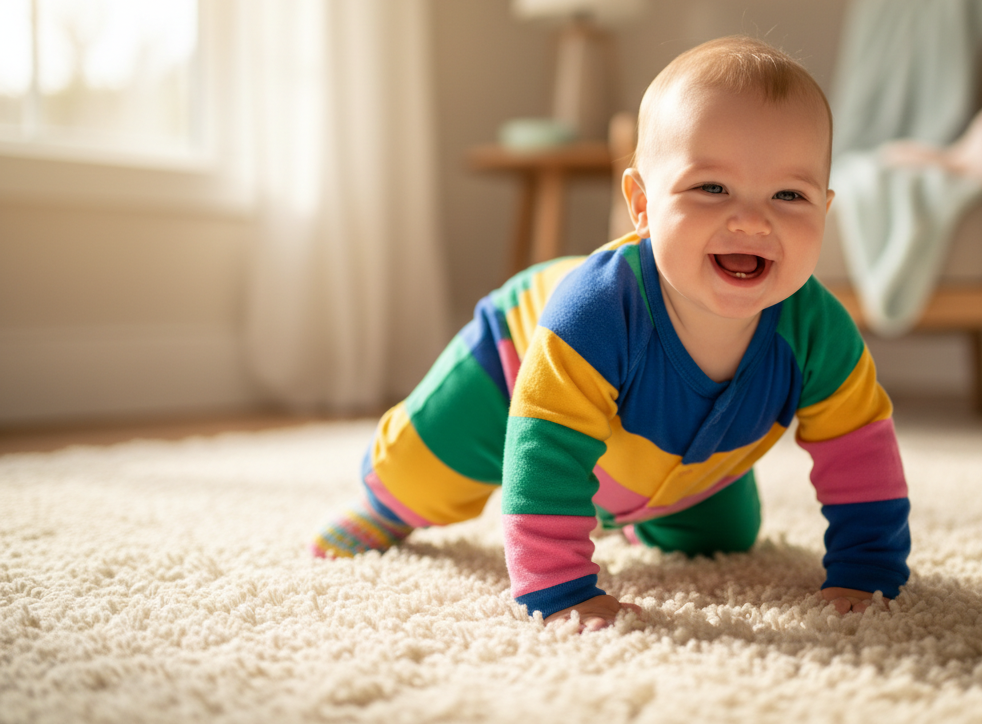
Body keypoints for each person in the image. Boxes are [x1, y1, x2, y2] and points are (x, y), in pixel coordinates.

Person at [311, 36, 911, 630]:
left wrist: (866, 570)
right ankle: (383, 504)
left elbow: (860, 454)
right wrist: (559, 588)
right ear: (642, 204)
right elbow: (544, 453)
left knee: (724, 537)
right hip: (515, 364)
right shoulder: (596, 310)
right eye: (712, 188)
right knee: (422, 469)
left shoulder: (820, 331)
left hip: (676, 456)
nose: (752, 220)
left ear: (824, 211)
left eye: (789, 194)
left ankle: (628, 512)